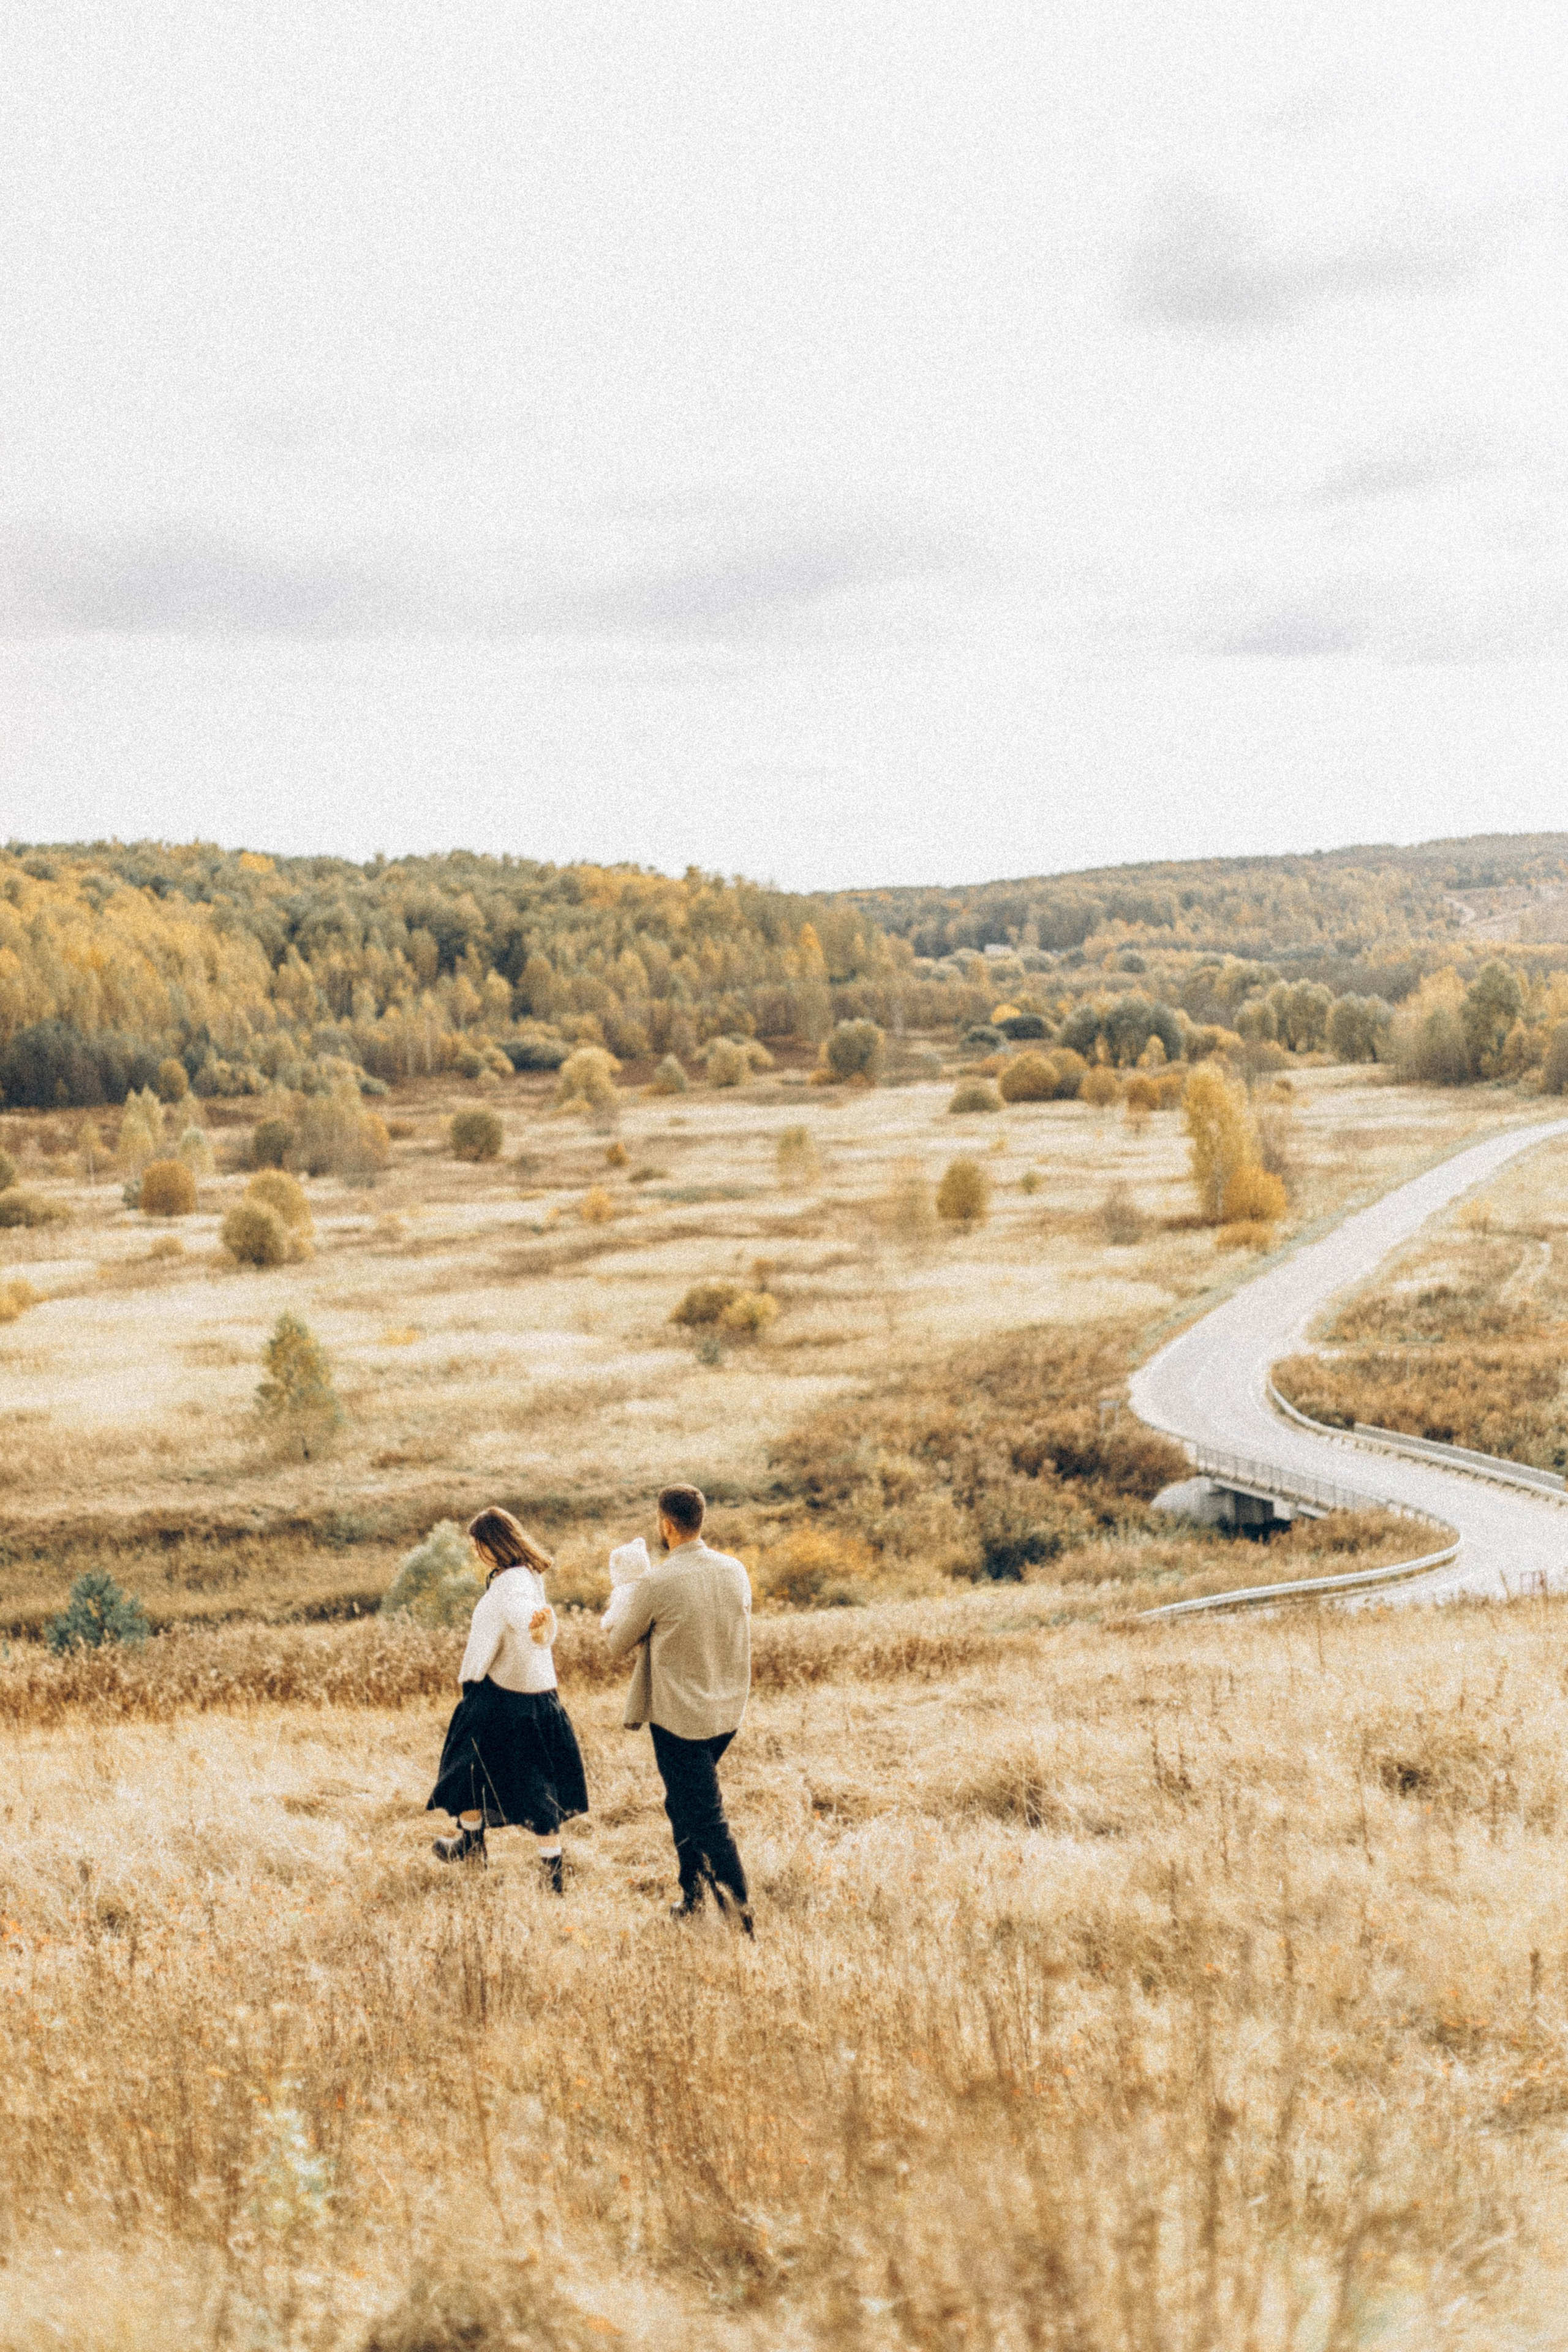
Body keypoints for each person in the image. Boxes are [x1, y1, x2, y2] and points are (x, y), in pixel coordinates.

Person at [603, 1483, 753, 1931]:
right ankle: (692, 1898)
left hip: (680, 1719)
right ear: (700, 1520)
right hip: (727, 1712)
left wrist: (626, 1596)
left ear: (667, 1525)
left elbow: (617, 1643)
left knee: (706, 1817)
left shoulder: (657, 1582)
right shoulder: (735, 1570)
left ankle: (741, 1920)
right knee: (682, 1802)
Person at [426, 1507, 589, 1893]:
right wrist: (539, 1625)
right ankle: (550, 1875)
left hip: (501, 1698)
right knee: (538, 1789)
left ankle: (472, 1846)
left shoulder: (512, 1585)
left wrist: (535, 1623)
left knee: (464, 1773)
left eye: (478, 1545)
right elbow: (534, 1619)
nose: (475, 1552)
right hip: (538, 1697)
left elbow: (524, 1614)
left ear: (494, 1543)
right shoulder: (526, 1576)